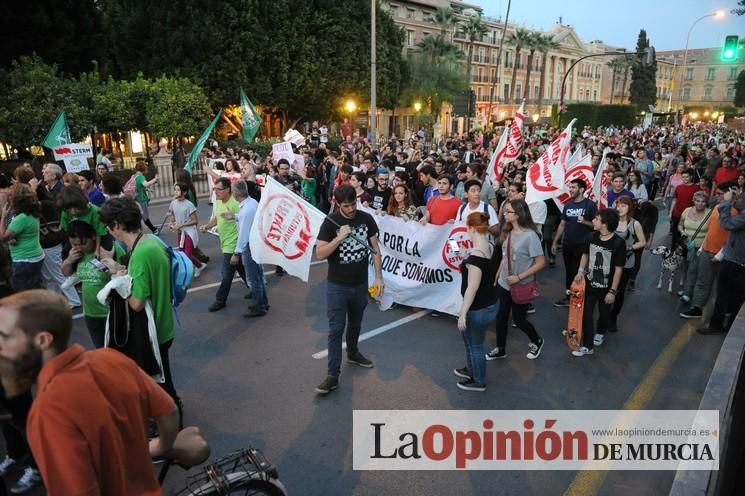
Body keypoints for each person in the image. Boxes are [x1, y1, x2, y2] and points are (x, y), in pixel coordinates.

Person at [0, 290, 207, 495]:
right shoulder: (111, 358)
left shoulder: (48, 410)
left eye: (4, 336)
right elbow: (169, 410)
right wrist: (163, 446)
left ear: (42, 340)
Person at [98, 197, 183, 422]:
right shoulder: (150, 241)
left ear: (117, 225)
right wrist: (120, 270)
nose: (109, 231)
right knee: (163, 382)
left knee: (162, 387)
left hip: (154, 331)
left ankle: (173, 431)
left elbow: (135, 302)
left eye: (108, 226)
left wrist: (115, 282)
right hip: (164, 323)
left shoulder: (141, 253)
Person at [314, 185, 384, 395]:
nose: (352, 209)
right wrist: (338, 238)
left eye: (354, 204)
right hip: (337, 286)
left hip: (360, 283)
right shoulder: (330, 223)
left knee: (355, 323)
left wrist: (379, 277)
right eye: (347, 206)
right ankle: (332, 375)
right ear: (338, 204)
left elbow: (375, 249)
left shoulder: (366, 219)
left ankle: (353, 352)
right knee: (336, 329)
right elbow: (319, 253)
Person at [486, 199, 546, 361]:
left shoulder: (530, 236)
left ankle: (537, 340)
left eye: (508, 211)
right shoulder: (507, 231)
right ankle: (500, 348)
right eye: (505, 211)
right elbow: (505, 258)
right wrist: (498, 275)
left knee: (519, 320)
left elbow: (541, 263)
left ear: (518, 214)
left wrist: (519, 277)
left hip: (521, 285)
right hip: (504, 284)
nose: (504, 214)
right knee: (501, 317)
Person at [454, 212, 500, 392]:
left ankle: (478, 380)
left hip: (478, 308)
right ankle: (471, 368)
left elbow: (472, 288)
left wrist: (462, 313)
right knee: (470, 340)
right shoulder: (490, 246)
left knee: (475, 344)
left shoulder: (475, 259)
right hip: (490, 302)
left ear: (471, 228)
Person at [60, 221, 124, 348]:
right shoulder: (77, 254)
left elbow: (126, 272)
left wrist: (113, 267)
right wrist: (69, 260)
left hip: (111, 312)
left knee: (118, 350)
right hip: (91, 313)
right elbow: (66, 273)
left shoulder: (109, 250)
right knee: (101, 350)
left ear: (94, 236)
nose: (79, 247)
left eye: (83, 243)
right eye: (74, 244)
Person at [572, 209, 625, 356]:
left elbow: (619, 269)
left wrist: (613, 291)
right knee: (586, 314)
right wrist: (580, 271)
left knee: (604, 314)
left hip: (607, 287)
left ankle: (600, 331)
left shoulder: (618, 243)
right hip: (590, 284)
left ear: (605, 223)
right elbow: (585, 253)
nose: (593, 221)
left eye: (596, 219)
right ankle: (588, 346)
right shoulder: (591, 236)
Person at [680, 183, 734, 319]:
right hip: (707, 250)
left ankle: (724, 311)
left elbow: (733, 235)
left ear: (732, 193)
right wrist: (703, 246)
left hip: (724, 255)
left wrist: (721, 254)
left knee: (723, 285)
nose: (717, 196)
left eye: (720, 194)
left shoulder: (736, 211)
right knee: (702, 280)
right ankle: (697, 307)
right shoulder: (716, 207)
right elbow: (711, 231)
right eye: (717, 194)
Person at [696, 187, 745, 334]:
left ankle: (718, 325)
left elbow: (726, 223)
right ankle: (728, 326)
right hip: (736, 258)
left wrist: (727, 202)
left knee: (725, 295)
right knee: (734, 297)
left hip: (735, 261)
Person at [199, 177, 246, 312]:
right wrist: (207, 226)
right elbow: (217, 217)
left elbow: (243, 225)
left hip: (233, 245)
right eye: (214, 189)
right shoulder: (219, 202)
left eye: (218, 189)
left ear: (227, 190)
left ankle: (220, 300)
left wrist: (237, 250)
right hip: (225, 243)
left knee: (226, 274)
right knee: (241, 269)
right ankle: (256, 290)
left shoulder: (235, 204)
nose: (216, 192)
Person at [552, 179, 597, 307]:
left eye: (573, 187)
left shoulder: (590, 205)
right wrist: (555, 242)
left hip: (582, 245)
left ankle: (578, 297)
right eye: (570, 187)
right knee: (569, 272)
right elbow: (562, 224)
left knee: (577, 272)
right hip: (567, 244)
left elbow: (596, 226)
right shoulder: (568, 205)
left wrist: (585, 222)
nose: (570, 190)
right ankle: (570, 296)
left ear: (581, 189)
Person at [608, 196, 646, 334]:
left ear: (630, 207)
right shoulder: (612, 221)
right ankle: (605, 314)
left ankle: (613, 318)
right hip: (609, 261)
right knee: (606, 289)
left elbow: (643, 242)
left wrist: (630, 247)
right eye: (618, 205)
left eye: (623, 205)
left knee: (619, 292)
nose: (620, 208)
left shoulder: (634, 224)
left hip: (626, 263)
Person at [232, 181, 268, 318]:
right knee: (258, 275)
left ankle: (259, 305)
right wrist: (235, 217)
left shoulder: (247, 209)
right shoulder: (251, 203)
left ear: (236, 193)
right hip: (255, 244)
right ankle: (263, 301)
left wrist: (237, 252)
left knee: (253, 277)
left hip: (250, 246)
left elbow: (243, 234)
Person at [0, 185, 44, 292]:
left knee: (22, 292)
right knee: (33, 288)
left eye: (11, 196)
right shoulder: (32, 213)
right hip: (36, 255)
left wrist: (3, 216)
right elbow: (24, 233)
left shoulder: (21, 218)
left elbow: (3, 237)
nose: (9, 198)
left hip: (24, 259)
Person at [677, 191, 711, 304]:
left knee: (693, 269)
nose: (700, 204)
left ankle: (687, 294)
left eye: (703, 202)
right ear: (693, 201)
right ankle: (687, 288)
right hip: (686, 245)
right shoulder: (687, 210)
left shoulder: (710, 213)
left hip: (699, 247)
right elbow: (680, 224)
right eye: (697, 201)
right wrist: (682, 232)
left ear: (706, 203)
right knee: (686, 267)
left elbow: (711, 232)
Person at [167, 183, 205, 277]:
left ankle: (185, 275)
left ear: (184, 192)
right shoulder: (173, 203)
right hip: (181, 231)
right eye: (175, 190)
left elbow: (195, 221)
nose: (175, 192)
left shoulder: (189, 205)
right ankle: (199, 265)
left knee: (187, 255)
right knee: (182, 254)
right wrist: (171, 223)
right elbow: (173, 215)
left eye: (178, 190)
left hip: (189, 231)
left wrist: (181, 225)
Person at [669, 169, 700, 248]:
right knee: (675, 233)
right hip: (677, 214)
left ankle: (684, 251)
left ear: (691, 177)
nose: (684, 179)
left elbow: (699, 202)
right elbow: (675, 200)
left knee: (687, 234)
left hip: (689, 215)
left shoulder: (696, 188)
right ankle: (673, 250)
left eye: (687, 177)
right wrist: (670, 212)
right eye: (683, 177)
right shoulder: (678, 187)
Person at [132, 161, 159, 233]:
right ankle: (153, 229)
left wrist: (148, 189)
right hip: (141, 199)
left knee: (142, 216)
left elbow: (139, 187)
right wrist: (155, 179)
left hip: (137, 198)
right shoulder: (141, 176)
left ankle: (153, 229)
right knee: (144, 216)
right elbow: (145, 184)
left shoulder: (135, 176)